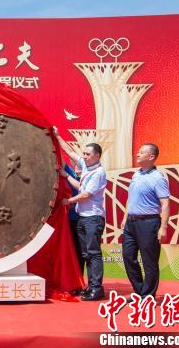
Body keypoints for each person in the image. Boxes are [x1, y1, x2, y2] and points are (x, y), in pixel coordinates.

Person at [53, 126, 107, 301]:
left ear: (97, 156)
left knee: (93, 253)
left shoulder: (98, 173)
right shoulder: (85, 166)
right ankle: (89, 286)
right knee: (85, 254)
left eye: (87, 154)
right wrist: (57, 135)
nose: (84, 156)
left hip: (93, 218)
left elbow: (86, 194)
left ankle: (96, 289)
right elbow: (69, 151)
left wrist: (68, 201)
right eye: (84, 154)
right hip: (83, 218)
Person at [122, 143, 169, 300]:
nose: (137, 154)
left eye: (141, 152)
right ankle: (140, 291)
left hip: (149, 223)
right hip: (131, 223)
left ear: (151, 157)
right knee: (128, 256)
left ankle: (147, 296)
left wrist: (163, 227)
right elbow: (131, 198)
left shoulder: (158, 178)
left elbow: (165, 203)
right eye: (138, 151)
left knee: (149, 262)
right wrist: (125, 218)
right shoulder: (136, 174)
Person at [64, 162, 85, 294]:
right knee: (70, 253)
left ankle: (79, 283)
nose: (77, 165)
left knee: (81, 253)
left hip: (83, 219)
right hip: (69, 219)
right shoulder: (69, 171)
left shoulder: (89, 176)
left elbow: (83, 192)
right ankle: (71, 282)